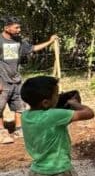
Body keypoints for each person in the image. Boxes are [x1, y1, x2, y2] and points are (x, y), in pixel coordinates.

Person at [0, 16, 58, 144]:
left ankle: (19, 129)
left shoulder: (18, 41)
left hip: (16, 80)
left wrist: (50, 41)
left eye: (19, 27)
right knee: (0, 107)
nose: (19, 29)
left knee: (19, 106)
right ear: (6, 27)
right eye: (16, 27)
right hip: (2, 80)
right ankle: (1, 132)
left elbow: (32, 48)